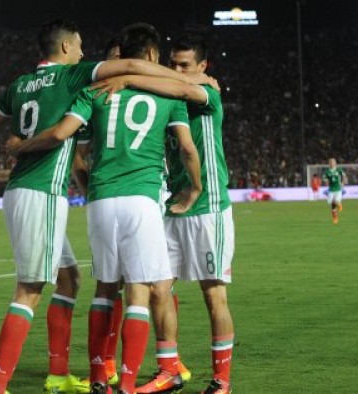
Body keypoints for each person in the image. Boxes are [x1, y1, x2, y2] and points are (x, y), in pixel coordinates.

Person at [0, 19, 212, 394]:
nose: (85, 53)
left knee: (79, 281)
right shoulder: (77, 79)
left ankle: (68, 375)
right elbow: (65, 129)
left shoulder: (25, 85)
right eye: (80, 46)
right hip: (56, 192)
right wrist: (189, 81)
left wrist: (19, 137)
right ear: (67, 48)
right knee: (37, 290)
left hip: (57, 193)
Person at [93, 35, 236, 394]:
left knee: (213, 295)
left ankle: (221, 381)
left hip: (208, 208)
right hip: (172, 207)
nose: (176, 71)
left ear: (203, 68)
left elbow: (189, 90)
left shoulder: (207, 96)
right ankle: (169, 368)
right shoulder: (163, 96)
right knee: (158, 288)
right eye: (172, 63)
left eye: (185, 65)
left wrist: (127, 77)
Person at [323, 158, 346, 224]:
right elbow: (324, 178)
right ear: (329, 164)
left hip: (338, 189)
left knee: (334, 203)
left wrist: (343, 183)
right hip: (331, 189)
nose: (332, 164)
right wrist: (326, 181)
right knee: (330, 202)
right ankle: (339, 205)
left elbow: (344, 176)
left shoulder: (339, 170)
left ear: (335, 163)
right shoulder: (327, 171)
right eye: (330, 162)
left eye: (333, 162)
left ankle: (335, 218)